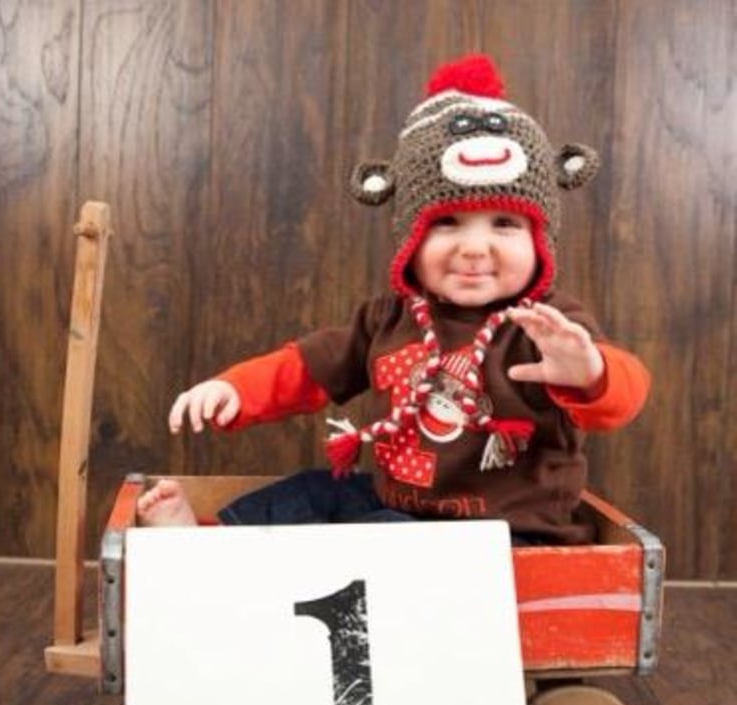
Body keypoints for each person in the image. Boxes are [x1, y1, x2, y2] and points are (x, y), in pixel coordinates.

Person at [137, 54, 649, 544]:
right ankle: (207, 545)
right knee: (316, 493)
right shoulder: (391, 318)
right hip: (399, 508)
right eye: (446, 223)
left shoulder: (549, 325)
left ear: (540, 242)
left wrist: (588, 371)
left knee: (380, 536)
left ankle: (263, 564)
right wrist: (236, 390)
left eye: (505, 225)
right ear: (410, 238)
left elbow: (625, 394)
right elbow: (306, 369)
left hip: (512, 535)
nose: (474, 248)